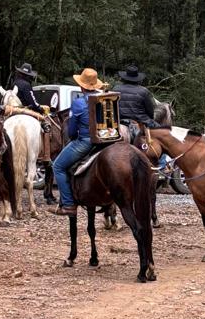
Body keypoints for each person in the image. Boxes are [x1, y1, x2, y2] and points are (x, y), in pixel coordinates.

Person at [49, 67, 105, 216]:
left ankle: (68, 204)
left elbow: (72, 130)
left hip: (85, 141)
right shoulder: (102, 100)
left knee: (57, 166)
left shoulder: (78, 103)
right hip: (104, 140)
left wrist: (73, 137)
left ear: (81, 86)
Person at [113, 63, 159, 130]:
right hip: (141, 121)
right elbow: (150, 112)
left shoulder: (115, 89)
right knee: (163, 130)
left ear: (124, 78)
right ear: (137, 79)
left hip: (119, 121)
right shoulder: (144, 91)